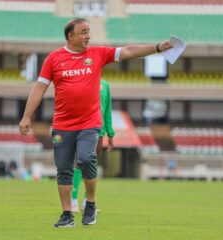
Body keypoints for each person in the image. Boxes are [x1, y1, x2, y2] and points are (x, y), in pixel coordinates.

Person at [19, 18, 172, 228]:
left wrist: (156, 48)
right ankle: (67, 215)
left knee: (86, 158)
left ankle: (90, 203)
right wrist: (27, 116)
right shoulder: (54, 59)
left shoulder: (97, 54)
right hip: (62, 124)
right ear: (70, 36)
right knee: (63, 169)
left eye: (89, 31)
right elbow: (39, 87)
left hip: (89, 123)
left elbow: (128, 51)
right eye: (83, 32)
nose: (88, 36)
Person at [71, 79, 114, 213]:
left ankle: (87, 203)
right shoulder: (81, 80)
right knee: (79, 164)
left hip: (99, 130)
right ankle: (73, 202)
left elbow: (107, 110)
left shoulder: (105, 85)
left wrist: (110, 133)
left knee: (92, 166)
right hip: (82, 129)